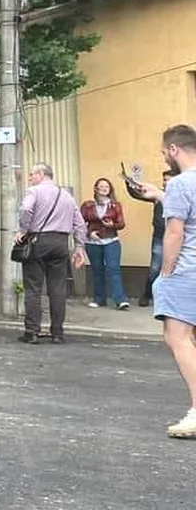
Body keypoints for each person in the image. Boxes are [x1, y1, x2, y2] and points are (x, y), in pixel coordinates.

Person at [136, 124, 196, 438]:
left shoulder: (181, 183)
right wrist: (160, 194)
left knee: (178, 338)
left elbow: (175, 232)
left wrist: (165, 273)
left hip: (187, 271)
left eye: (164, 152)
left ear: (174, 150)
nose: (164, 157)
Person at [15, 162, 88, 345]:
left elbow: (25, 209)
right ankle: (57, 333)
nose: (30, 178)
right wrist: (79, 247)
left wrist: (23, 229)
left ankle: (32, 332)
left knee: (33, 288)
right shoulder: (67, 196)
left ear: (41, 174)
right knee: (58, 289)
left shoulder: (34, 191)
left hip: (38, 241)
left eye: (32, 174)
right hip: (61, 243)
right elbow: (79, 224)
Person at [126, 168, 178, 307]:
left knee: (176, 270)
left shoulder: (181, 195)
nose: (166, 182)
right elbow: (137, 194)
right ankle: (147, 295)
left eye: (168, 179)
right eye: (164, 180)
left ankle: (170, 300)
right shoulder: (156, 195)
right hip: (160, 238)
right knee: (155, 269)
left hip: (177, 240)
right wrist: (129, 183)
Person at [80, 178, 128, 310]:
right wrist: (89, 234)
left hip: (111, 240)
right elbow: (79, 223)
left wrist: (113, 225)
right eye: (101, 186)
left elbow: (122, 224)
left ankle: (120, 300)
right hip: (93, 242)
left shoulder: (115, 205)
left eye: (107, 186)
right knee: (97, 271)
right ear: (95, 188)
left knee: (114, 269)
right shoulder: (87, 205)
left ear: (110, 189)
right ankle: (99, 299)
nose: (104, 188)